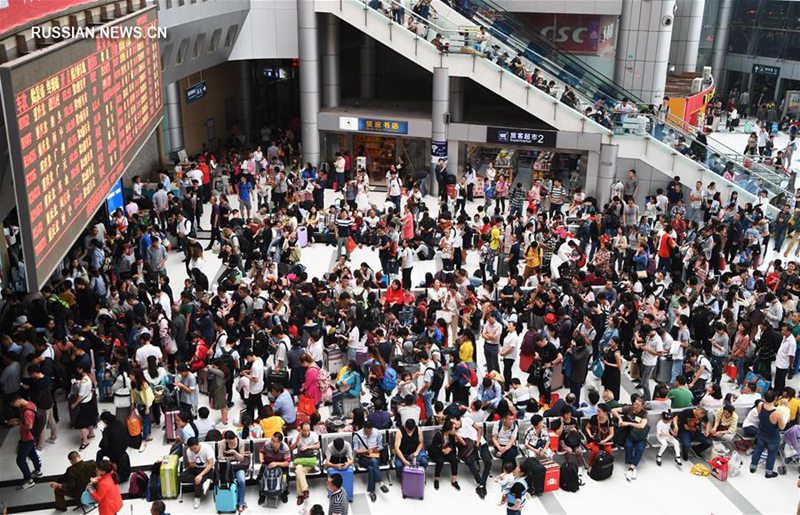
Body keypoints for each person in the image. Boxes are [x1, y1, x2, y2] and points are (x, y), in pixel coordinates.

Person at [750, 390, 788, 478]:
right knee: (772, 454)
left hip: (761, 433)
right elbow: (782, 427)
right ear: (775, 399)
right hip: (772, 437)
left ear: (764, 397)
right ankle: (768, 472)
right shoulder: (777, 413)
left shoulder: (760, 405)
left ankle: (753, 467)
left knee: (758, 449)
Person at [9, 393, 42, 489]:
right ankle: (38, 471)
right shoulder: (31, 404)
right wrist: (18, 420)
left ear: (17, 400)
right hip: (33, 436)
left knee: (20, 460)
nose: (14, 406)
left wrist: (18, 424)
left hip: (27, 437)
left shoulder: (26, 411)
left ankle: (29, 480)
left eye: (13, 404)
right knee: (32, 454)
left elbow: (29, 426)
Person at [353, 421, 390, 502]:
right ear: (364, 429)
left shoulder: (377, 432)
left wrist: (377, 449)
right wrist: (365, 451)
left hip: (375, 455)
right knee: (373, 462)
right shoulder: (357, 435)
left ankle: (371, 492)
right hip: (363, 458)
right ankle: (381, 483)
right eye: (367, 432)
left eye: (370, 432)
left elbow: (381, 446)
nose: (369, 433)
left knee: (371, 468)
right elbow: (355, 450)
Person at [218, 430, 251, 512]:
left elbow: (241, 458)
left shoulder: (240, 442)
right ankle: (231, 500)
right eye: (229, 442)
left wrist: (234, 452)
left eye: (233, 441)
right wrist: (234, 457)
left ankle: (241, 502)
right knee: (229, 482)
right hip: (227, 467)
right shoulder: (222, 443)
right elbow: (220, 457)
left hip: (239, 466)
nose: (232, 443)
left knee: (242, 481)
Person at [290, 421, 320, 505]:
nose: (306, 432)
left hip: (310, 460)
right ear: (301, 430)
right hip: (300, 460)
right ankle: (305, 490)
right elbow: (291, 449)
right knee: (298, 469)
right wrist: (297, 441)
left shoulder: (314, 435)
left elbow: (318, 446)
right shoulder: (297, 436)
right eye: (304, 430)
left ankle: (300, 495)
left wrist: (307, 447)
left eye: (308, 430)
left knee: (298, 471)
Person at [181, 436, 216, 509]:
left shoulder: (207, 448)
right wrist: (191, 465)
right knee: (182, 476)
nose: (193, 450)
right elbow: (190, 464)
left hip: (207, 468)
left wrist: (200, 475)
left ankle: (197, 496)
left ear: (198, 444)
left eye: (195, 448)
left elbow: (210, 464)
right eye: (191, 449)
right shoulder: (189, 451)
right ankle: (205, 480)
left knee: (198, 480)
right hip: (196, 468)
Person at [428, 417, 460, 490]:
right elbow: (433, 448)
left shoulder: (451, 435)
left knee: (454, 460)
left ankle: (454, 480)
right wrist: (442, 450)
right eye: (453, 429)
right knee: (440, 461)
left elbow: (453, 445)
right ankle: (436, 479)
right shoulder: (438, 435)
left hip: (447, 451)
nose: (454, 430)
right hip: (436, 452)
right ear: (448, 430)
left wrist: (450, 449)